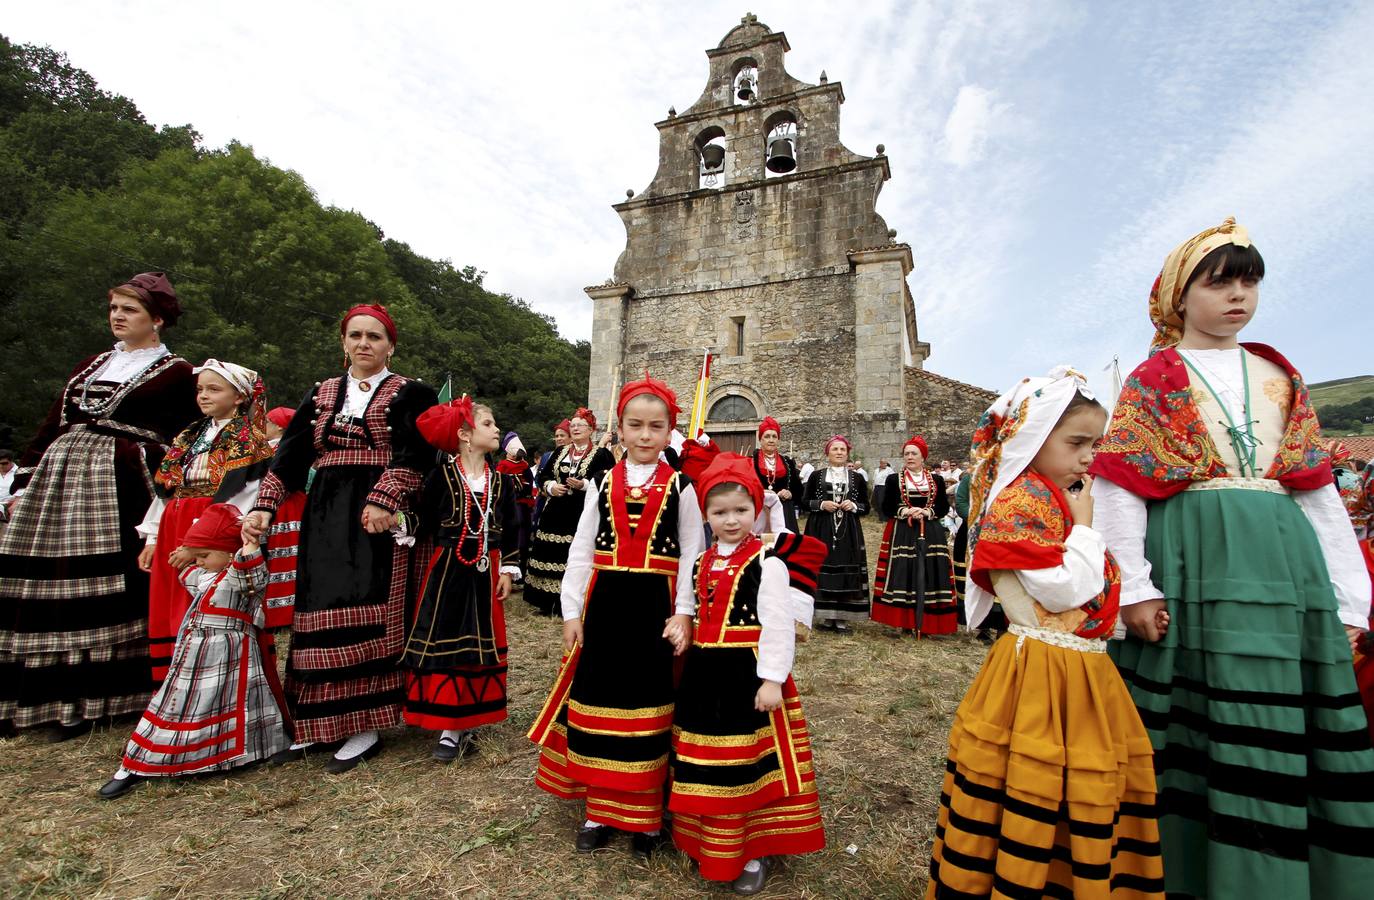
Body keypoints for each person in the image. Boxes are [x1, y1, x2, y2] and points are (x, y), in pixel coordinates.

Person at [1091, 218, 1374, 897]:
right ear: (1178, 297)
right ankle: (1182, 870)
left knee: (1276, 716)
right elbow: (1119, 487)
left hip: (1283, 568)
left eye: (1248, 281)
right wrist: (1133, 588)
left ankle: (1279, 876)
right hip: (1191, 560)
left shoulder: (1280, 375)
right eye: (1219, 282)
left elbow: (1317, 492)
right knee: (1197, 723)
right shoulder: (1153, 378)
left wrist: (1349, 597)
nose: (1238, 295)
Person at [927, 366, 1165, 898]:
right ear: (1032, 439)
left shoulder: (1053, 497)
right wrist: (1084, 527)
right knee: (1034, 778)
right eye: (1077, 442)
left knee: (1071, 777)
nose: (1088, 456)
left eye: (1094, 444)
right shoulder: (1019, 505)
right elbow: (1063, 592)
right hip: (1042, 671)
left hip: (1076, 668)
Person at [242, 303, 438, 774]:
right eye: (355, 335)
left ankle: (365, 724)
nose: (364, 344)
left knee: (366, 602)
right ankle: (318, 721)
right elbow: (288, 457)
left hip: (376, 515)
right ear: (343, 342)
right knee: (317, 604)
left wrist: (386, 497)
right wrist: (264, 507)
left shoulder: (412, 392)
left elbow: (419, 451)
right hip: (325, 510)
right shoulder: (321, 393)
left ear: (391, 345)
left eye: (374, 336)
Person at [0, 272, 197, 738]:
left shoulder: (177, 374)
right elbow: (54, 424)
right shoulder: (91, 366)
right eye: (114, 309)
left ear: (158, 320)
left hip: (124, 482)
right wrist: (24, 481)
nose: (118, 317)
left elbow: (188, 435)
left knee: (116, 579)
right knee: (46, 580)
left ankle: (98, 700)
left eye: (129, 310)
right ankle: (37, 695)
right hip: (63, 480)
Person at [529, 373, 704, 858]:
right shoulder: (604, 481)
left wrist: (686, 612)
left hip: (655, 608)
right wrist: (570, 610)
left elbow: (693, 553)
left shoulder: (682, 487)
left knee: (648, 706)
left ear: (670, 431)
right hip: (605, 606)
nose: (645, 436)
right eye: (635, 425)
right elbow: (583, 548)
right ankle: (599, 810)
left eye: (655, 426)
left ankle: (646, 818)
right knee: (598, 696)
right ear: (620, 429)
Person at [669, 453, 828, 894]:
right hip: (704, 673)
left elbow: (778, 625)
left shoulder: (768, 562)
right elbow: (693, 609)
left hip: (747, 675)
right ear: (706, 515)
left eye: (741, 511)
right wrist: (685, 634)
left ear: (757, 510)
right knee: (705, 758)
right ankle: (708, 839)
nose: (731, 520)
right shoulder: (701, 562)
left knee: (745, 764)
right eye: (719, 512)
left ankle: (751, 847)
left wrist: (773, 677)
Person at [99, 503, 291, 799]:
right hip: (196, 656)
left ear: (230, 552)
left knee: (238, 703)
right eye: (198, 556)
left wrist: (249, 544)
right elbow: (187, 572)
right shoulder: (207, 577)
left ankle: (248, 749)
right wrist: (190, 552)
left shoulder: (239, 576)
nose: (200, 562)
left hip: (230, 656)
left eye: (205, 556)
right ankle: (142, 759)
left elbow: (251, 574)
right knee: (181, 703)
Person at [138, 360, 272, 680]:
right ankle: (175, 678)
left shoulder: (248, 437)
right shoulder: (189, 435)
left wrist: (200, 540)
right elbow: (168, 489)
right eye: (200, 389)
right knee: (172, 596)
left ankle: (209, 677)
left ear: (239, 396)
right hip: (176, 520)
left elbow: (245, 492)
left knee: (207, 595)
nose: (204, 396)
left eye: (214, 389)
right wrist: (153, 537)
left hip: (215, 524)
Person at [404, 397, 521, 762]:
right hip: (448, 570)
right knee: (448, 637)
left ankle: (467, 721)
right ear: (465, 435)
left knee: (480, 643)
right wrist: (398, 522)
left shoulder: (501, 482)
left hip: (486, 568)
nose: (497, 429)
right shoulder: (440, 477)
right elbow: (421, 519)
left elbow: (513, 529)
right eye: (488, 423)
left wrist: (507, 568)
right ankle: (448, 726)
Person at [524, 409, 615, 617]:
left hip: (581, 512)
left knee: (573, 554)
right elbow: (542, 475)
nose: (574, 428)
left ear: (591, 430)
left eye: (579, 425)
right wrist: (551, 486)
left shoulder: (602, 455)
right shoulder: (560, 452)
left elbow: (609, 479)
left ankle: (573, 603)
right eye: (572, 425)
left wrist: (585, 485)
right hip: (555, 510)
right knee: (550, 552)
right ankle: (546, 601)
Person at [871, 436, 955, 636]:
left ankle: (928, 619)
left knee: (930, 571)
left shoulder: (936, 480)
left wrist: (927, 512)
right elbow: (887, 506)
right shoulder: (894, 479)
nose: (909, 457)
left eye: (913, 453)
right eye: (906, 453)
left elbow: (942, 505)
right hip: (904, 531)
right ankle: (905, 621)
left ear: (923, 457)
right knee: (905, 571)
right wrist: (906, 512)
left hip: (931, 531)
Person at [802, 435, 869, 630]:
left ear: (847, 453)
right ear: (828, 453)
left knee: (846, 567)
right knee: (823, 566)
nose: (839, 453)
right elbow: (805, 502)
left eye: (842, 450)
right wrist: (822, 504)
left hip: (848, 529)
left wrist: (854, 505)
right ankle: (824, 616)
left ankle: (842, 617)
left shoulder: (857, 478)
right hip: (821, 527)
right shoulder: (816, 475)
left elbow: (866, 507)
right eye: (835, 449)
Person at [260, 406, 306, 631]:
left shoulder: (281, 450)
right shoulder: (264, 449)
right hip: (283, 507)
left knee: (283, 557)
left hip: (284, 508)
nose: (263, 426)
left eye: (267, 421)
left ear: (279, 426)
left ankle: (282, 611)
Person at [496, 431, 536, 579]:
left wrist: (523, 487)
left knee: (524, 537)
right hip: (510, 505)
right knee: (511, 533)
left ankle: (521, 571)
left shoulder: (525, 466)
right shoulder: (502, 465)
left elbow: (529, 483)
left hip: (524, 505)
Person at [753, 416, 804, 532]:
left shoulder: (788, 463)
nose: (771, 440)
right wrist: (763, 492)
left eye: (774, 437)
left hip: (784, 512)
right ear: (760, 439)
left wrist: (790, 493)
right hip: (760, 511)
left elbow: (799, 491)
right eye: (767, 436)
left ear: (778, 440)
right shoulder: (751, 461)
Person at [530, 419, 571, 534]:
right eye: (557, 436)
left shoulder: (575, 457)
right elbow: (539, 477)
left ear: (571, 437)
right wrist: (544, 489)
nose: (559, 438)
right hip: (545, 501)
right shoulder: (547, 456)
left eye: (562, 435)